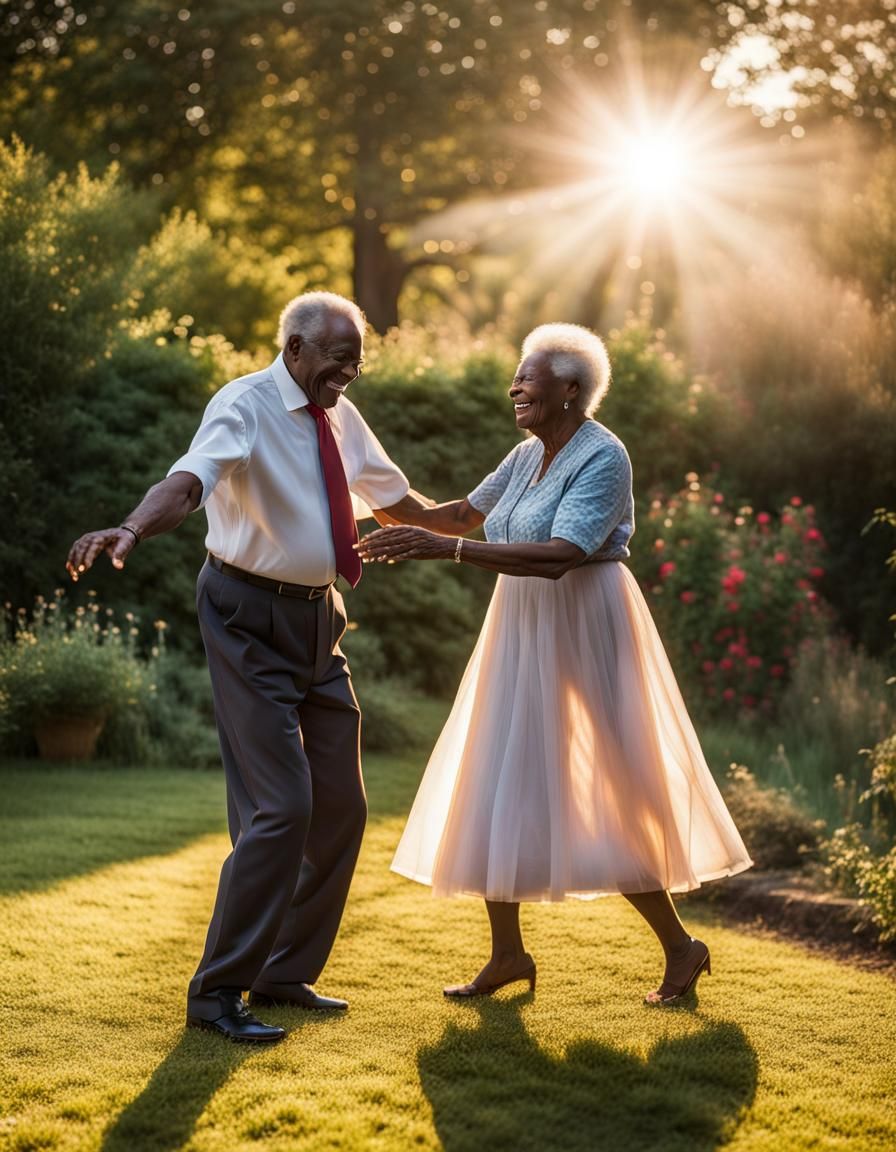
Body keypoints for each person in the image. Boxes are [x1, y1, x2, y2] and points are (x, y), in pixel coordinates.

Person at [356, 322, 753, 1006]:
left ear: (571, 389)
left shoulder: (604, 456)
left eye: (527, 376)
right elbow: (454, 514)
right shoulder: (522, 455)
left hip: (586, 618)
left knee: (614, 782)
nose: (514, 385)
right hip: (518, 624)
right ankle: (508, 954)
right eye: (516, 375)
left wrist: (444, 552)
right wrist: (359, 492)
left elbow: (564, 553)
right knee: (496, 768)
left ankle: (682, 947)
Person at [66, 291, 424, 1043]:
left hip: (320, 623)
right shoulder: (246, 403)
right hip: (245, 617)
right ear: (294, 348)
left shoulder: (341, 416)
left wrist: (505, 511)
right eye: (336, 359)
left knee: (343, 807)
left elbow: (403, 507)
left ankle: (284, 971)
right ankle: (216, 994)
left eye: (357, 361)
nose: (348, 373)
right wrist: (132, 526)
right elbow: (190, 482)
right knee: (281, 808)